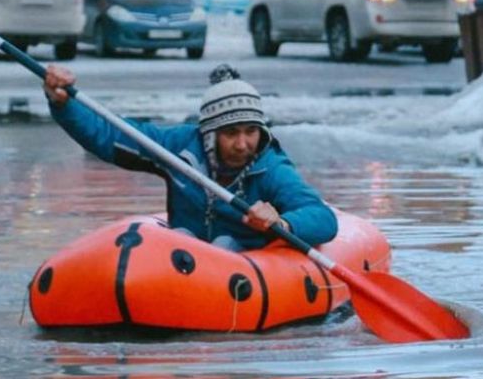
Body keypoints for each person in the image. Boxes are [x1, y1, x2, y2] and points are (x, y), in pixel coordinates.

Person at [42, 62, 339, 251]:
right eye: (231, 132)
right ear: (210, 133)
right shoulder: (180, 148)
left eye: (251, 131)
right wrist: (64, 105)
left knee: (225, 242)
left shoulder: (271, 167)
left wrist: (283, 223)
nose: (242, 144)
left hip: (242, 261)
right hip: (184, 253)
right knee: (180, 236)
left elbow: (323, 218)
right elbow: (110, 136)